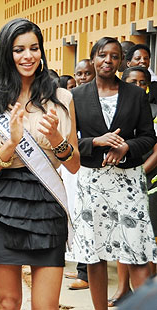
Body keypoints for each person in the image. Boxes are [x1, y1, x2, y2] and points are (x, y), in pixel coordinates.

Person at [0, 18, 79, 310]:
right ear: (7, 53)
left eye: (34, 48)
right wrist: (10, 144)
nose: (28, 56)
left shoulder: (61, 98)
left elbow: (73, 165)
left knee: (46, 305)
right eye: (19, 50)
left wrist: (57, 137)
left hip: (48, 204)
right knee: (7, 303)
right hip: (3, 203)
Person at [67, 37, 157, 310]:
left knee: (137, 251)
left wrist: (126, 147)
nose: (108, 60)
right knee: (95, 254)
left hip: (128, 182)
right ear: (93, 57)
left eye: (115, 56)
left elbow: (148, 137)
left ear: (121, 61)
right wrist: (96, 142)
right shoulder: (75, 97)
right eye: (103, 54)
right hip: (92, 182)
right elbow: (69, 143)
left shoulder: (135, 95)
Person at [64, 58, 96, 291]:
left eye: (87, 73)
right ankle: (82, 267)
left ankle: (87, 273)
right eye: (79, 74)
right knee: (78, 215)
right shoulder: (73, 101)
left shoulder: (96, 100)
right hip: (75, 166)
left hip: (96, 166)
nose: (83, 77)